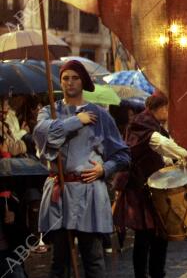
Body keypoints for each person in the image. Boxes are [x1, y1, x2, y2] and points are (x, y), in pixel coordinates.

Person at [33, 60, 130, 278]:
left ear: (83, 81)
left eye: (75, 77)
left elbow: (123, 154)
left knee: (93, 260)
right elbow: (44, 135)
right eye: (66, 78)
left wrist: (104, 169)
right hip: (60, 194)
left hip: (89, 192)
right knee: (60, 262)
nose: (70, 82)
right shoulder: (49, 112)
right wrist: (76, 121)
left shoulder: (100, 116)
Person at [113, 91, 187, 278]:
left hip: (152, 187)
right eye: (168, 109)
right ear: (161, 107)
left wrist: (172, 160)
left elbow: (158, 152)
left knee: (159, 235)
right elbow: (159, 143)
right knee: (143, 237)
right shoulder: (142, 122)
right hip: (139, 187)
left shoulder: (151, 123)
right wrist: (186, 155)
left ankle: (157, 273)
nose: (169, 114)